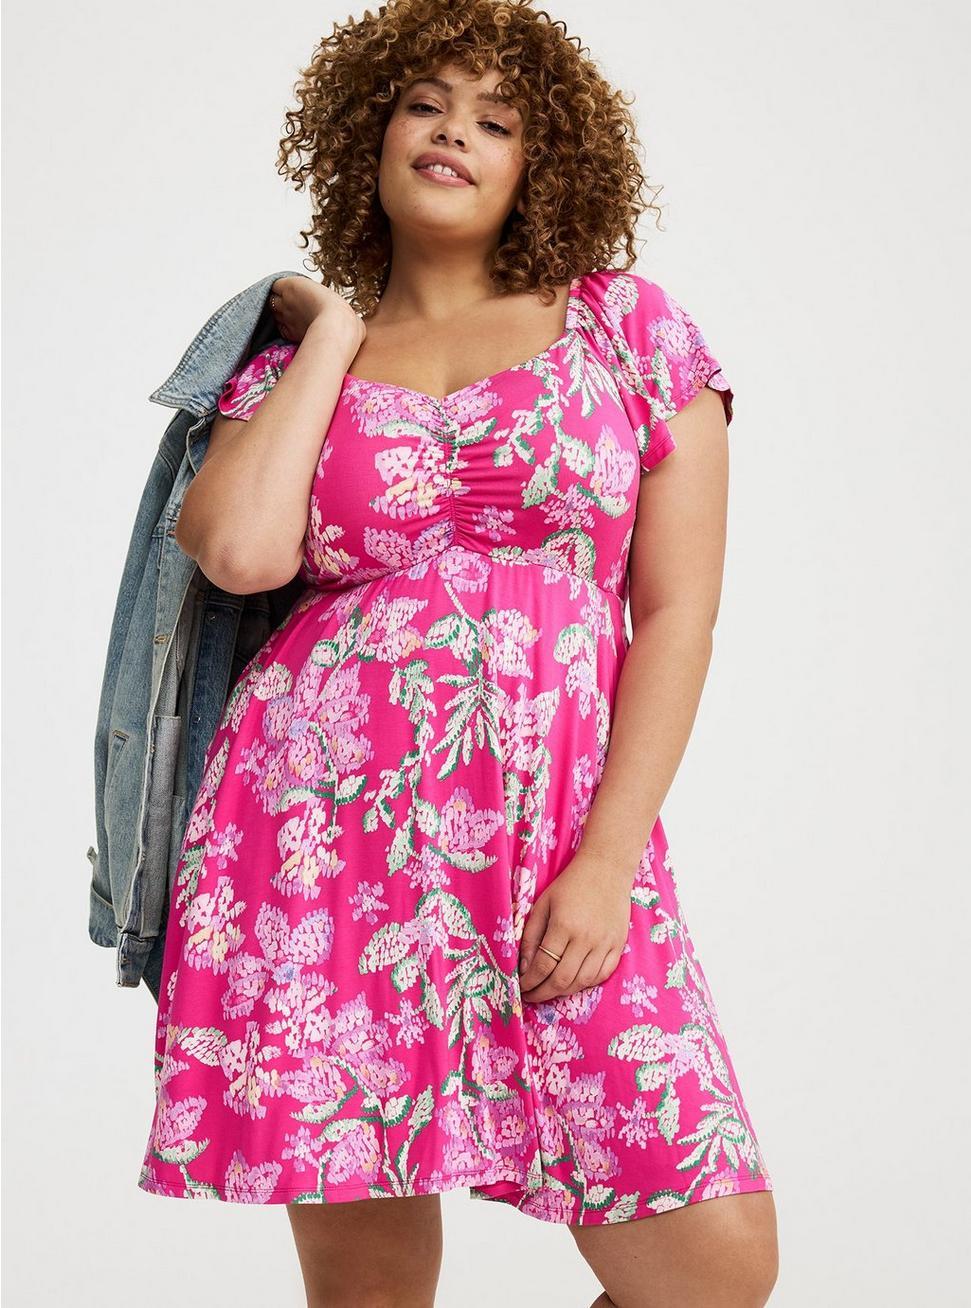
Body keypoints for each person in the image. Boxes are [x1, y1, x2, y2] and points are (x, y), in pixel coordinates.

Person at [136, 2, 779, 1304]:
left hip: (557, 844)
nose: (453, 133)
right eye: (425, 104)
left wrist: (607, 862)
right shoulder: (293, 368)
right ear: (370, 133)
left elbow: (676, 615)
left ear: (544, 161)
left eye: (496, 119)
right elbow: (243, 554)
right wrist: (330, 331)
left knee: (715, 1274)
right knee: (370, 1291)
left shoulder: (625, 327)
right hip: (319, 849)